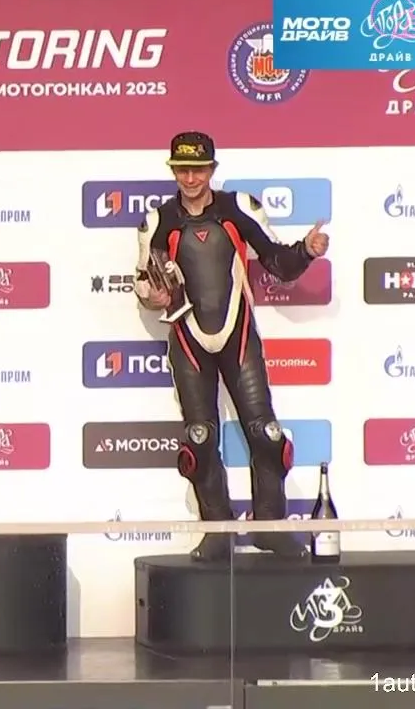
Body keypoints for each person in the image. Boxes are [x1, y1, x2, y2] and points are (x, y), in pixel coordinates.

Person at [134, 131, 330, 562]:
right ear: (173, 170)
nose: (190, 179)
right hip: (189, 340)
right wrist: (152, 297)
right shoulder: (158, 221)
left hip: (238, 337)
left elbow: (277, 263)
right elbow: (146, 286)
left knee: (268, 435)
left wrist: (306, 251)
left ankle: (270, 529)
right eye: (182, 170)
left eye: (198, 170)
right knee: (200, 440)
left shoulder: (237, 209)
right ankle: (217, 534)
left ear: (212, 169)